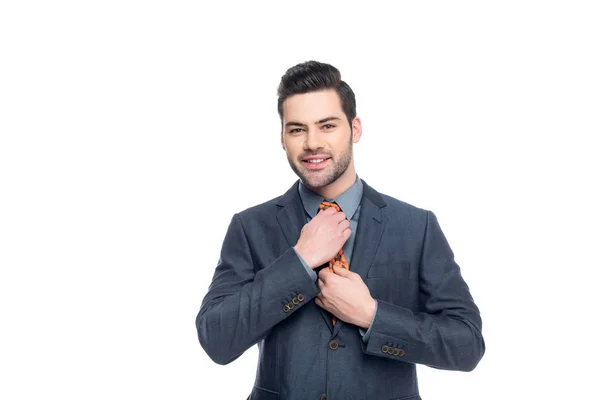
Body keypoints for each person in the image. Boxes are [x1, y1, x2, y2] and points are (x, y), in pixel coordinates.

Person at [195, 60, 485, 400]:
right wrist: (300, 260)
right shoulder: (250, 226)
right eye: (297, 129)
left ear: (355, 129)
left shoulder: (416, 226)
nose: (312, 143)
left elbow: (467, 344)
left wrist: (372, 315)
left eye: (327, 126)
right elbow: (216, 339)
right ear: (283, 138)